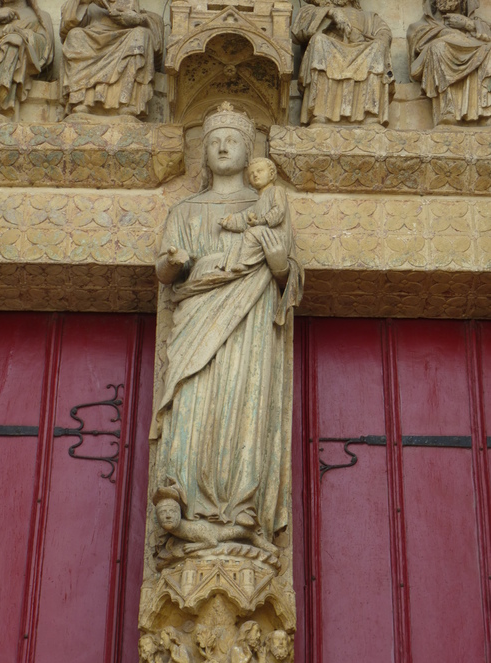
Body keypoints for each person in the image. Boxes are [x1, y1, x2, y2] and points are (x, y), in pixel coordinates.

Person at [153, 102, 303, 547]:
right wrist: (173, 263)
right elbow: (166, 270)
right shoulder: (185, 210)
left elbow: (287, 274)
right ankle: (182, 507)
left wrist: (279, 264)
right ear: (204, 152)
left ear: (250, 153)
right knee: (194, 404)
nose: (222, 147)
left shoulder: (269, 207)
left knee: (244, 405)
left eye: (232, 140)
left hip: (250, 323)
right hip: (197, 318)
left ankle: (241, 511)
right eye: (214, 140)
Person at [292, 0, 394, 126]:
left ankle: (370, 115)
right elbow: (297, 32)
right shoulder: (314, 10)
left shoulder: (369, 17)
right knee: (319, 41)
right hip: (331, 50)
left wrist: (374, 40)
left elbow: (384, 32)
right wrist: (331, 13)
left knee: (378, 47)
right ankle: (320, 114)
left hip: (362, 51)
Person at [60, 0, 163, 118]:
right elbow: (65, 28)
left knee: (140, 34)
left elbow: (150, 26)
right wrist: (82, 2)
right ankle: (82, 100)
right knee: (74, 35)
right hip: (93, 35)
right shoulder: (90, 6)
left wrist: (136, 19)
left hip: (125, 34)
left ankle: (126, 102)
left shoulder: (132, 4)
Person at [408, 0, 491, 125]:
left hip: (475, 49)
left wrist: (468, 24)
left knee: (488, 49)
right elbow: (417, 40)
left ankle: (483, 112)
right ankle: (447, 112)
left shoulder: (479, 23)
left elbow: (487, 34)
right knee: (437, 47)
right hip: (443, 53)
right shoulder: (424, 25)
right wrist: (443, 32)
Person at [220, 157, 292, 274]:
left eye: (259, 171)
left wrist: (260, 222)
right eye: (251, 174)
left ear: (272, 173)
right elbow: (244, 218)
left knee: (250, 233)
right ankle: (226, 266)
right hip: (262, 235)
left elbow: (279, 210)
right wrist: (229, 221)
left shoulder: (276, 190)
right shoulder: (258, 202)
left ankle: (244, 263)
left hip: (275, 237)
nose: (255, 175)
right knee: (239, 241)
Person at [0, 0, 53, 116]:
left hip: (13, 50)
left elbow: (45, 48)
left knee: (14, 40)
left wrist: (21, 33)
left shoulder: (38, 17)